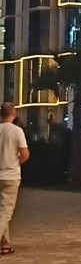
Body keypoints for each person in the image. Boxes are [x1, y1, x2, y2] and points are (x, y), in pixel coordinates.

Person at [0, 102, 29, 256]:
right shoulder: (17, 131)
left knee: (2, 210)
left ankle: (5, 243)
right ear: (14, 114)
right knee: (5, 212)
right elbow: (24, 153)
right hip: (10, 175)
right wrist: (17, 162)